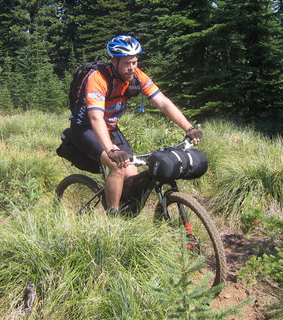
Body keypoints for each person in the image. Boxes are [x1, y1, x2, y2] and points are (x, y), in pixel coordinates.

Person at [69, 35, 203, 213]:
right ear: (113, 61)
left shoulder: (137, 76)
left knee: (132, 175)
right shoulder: (98, 78)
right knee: (117, 165)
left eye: (134, 62)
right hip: (85, 129)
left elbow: (162, 102)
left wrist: (189, 127)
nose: (132, 67)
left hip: (110, 128)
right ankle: (114, 218)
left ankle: (125, 210)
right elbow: (95, 118)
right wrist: (111, 150)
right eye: (126, 63)